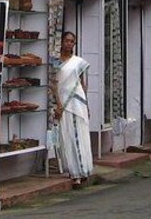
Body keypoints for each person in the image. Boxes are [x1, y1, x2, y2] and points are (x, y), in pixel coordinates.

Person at [54, 31, 93, 187]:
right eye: (67, 41)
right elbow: (53, 84)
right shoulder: (55, 61)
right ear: (62, 42)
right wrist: (58, 104)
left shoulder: (78, 62)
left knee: (79, 135)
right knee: (67, 136)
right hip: (62, 104)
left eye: (72, 41)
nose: (69, 44)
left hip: (77, 103)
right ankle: (73, 171)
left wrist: (86, 104)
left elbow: (83, 84)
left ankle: (81, 172)